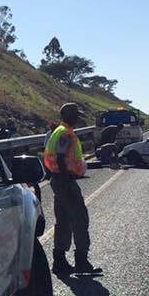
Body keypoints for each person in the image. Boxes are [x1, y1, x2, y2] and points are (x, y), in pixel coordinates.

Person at [44, 103, 103, 276]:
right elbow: (61, 157)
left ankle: (59, 262)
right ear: (70, 116)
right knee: (80, 219)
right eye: (76, 115)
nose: (78, 118)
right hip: (65, 181)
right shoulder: (66, 133)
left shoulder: (58, 131)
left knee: (63, 221)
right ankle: (81, 261)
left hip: (58, 180)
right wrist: (66, 177)